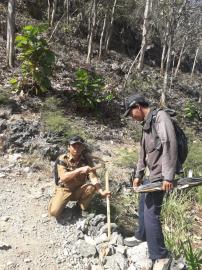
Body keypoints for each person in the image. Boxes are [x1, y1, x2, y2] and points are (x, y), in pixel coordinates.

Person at [123, 93, 177, 270]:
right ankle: (141, 235)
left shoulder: (160, 117)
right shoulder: (146, 123)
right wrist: (138, 174)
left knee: (151, 212)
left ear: (137, 106)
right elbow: (143, 152)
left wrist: (168, 176)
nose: (131, 116)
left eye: (130, 112)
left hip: (161, 175)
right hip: (150, 173)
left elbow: (169, 144)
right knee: (142, 203)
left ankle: (159, 255)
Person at [48, 135, 110, 218]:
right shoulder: (62, 159)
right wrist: (80, 170)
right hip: (64, 189)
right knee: (54, 213)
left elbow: (93, 178)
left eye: (79, 146)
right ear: (68, 147)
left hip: (78, 190)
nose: (76, 149)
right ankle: (56, 199)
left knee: (91, 187)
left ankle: (79, 208)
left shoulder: (86, 160)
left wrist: (101, 191)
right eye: (74, 146)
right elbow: (63, 177)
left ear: (82, 148)